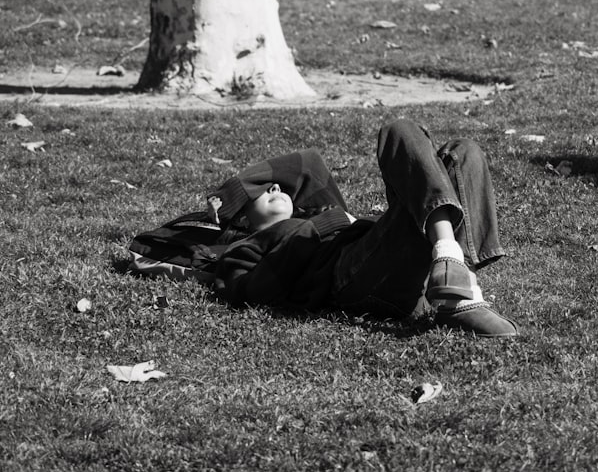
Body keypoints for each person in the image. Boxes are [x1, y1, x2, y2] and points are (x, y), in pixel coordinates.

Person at [133, 119, 518, 337]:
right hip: (351, 280)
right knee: (398, 128)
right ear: (243, 220)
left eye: (280, 189)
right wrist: (232, 200)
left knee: (461, 150)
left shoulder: (323, 215)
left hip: (398, 269)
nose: (273, 187)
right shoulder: (242, 248)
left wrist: (321, 219)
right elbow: (248, 291)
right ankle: (459, 280)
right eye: (261, 193)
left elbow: (304, 164)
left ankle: (449, 272)